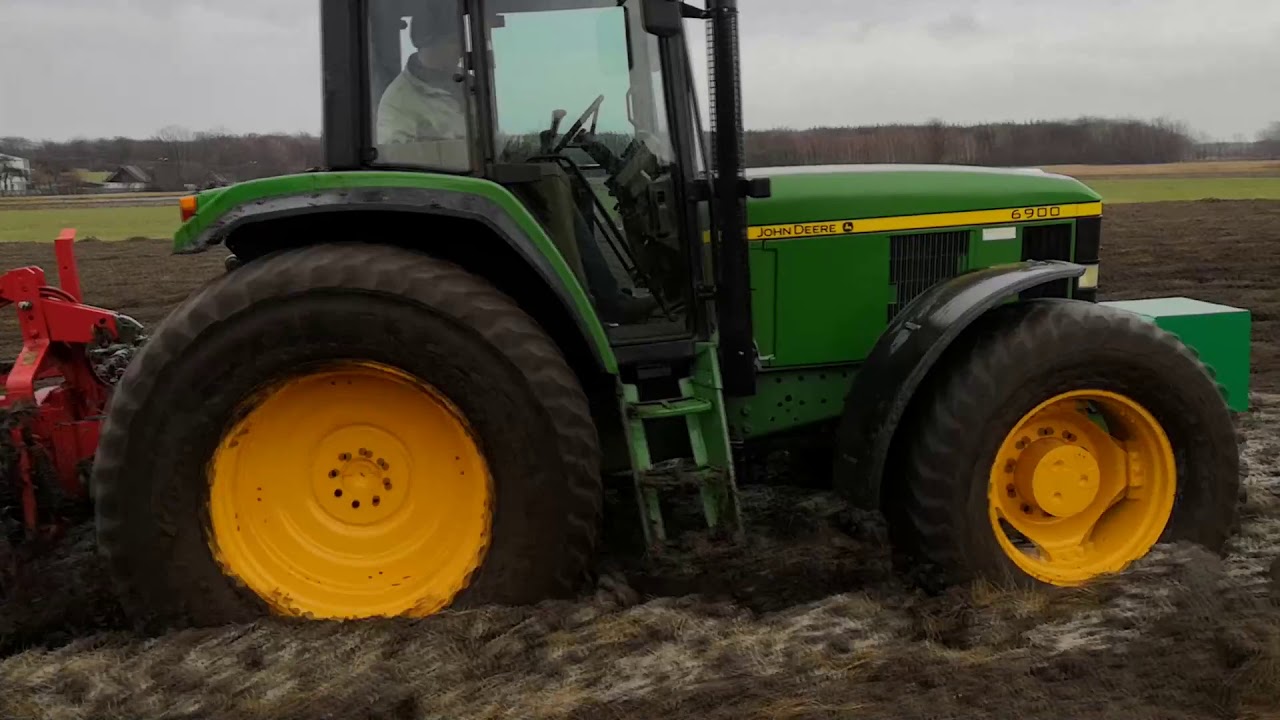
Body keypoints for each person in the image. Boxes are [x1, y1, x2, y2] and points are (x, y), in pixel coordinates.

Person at [375, 5, 656, 325]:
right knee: (551, 182)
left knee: (567, 180)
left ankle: (600, 292)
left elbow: (493, 139)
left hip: (481, 176)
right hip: (451, 192)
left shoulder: (462, 85)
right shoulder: (400, 100)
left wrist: (534, 145)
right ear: (430, 43)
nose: (459, 51)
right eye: (454, 42)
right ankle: (585, 304)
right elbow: (398, 161)